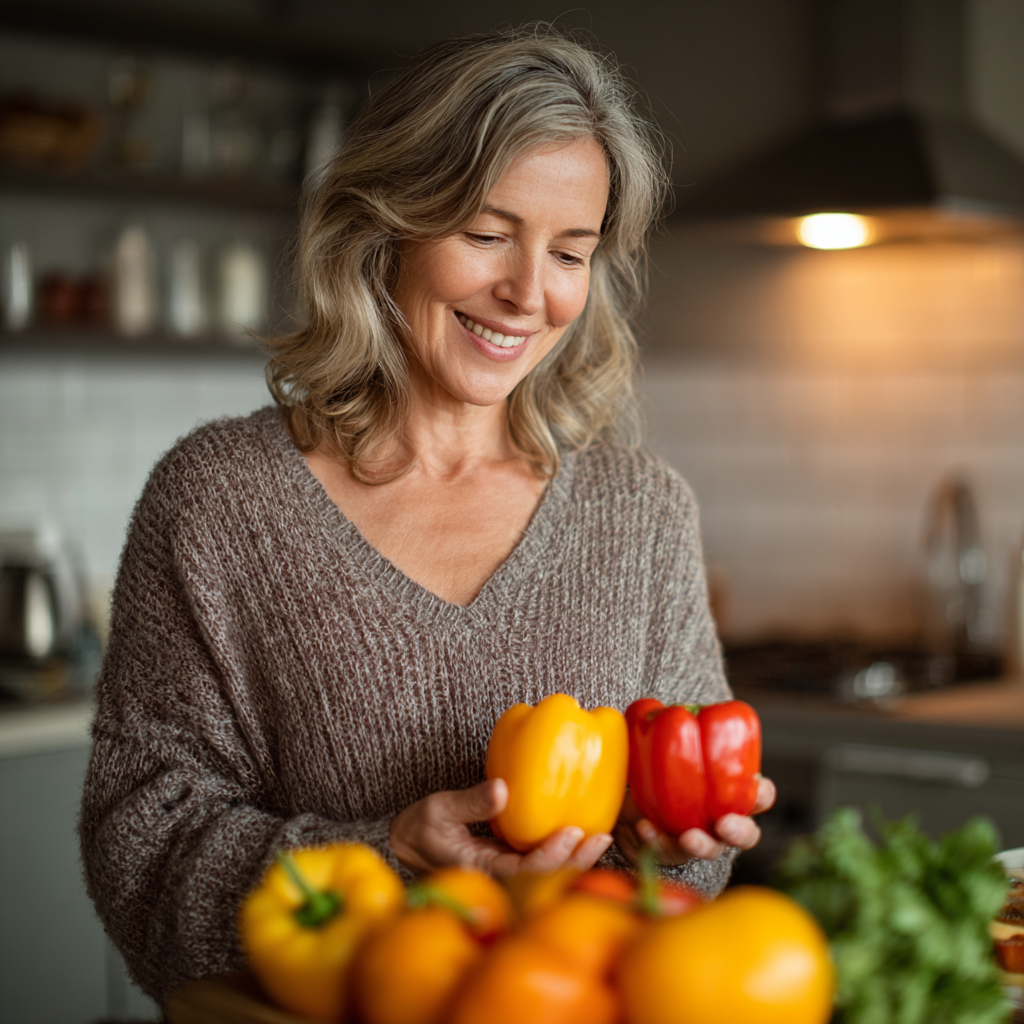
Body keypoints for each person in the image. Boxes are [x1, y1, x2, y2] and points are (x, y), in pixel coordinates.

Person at [80, 25, 775, 1002]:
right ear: (386, 224)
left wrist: (669, 840)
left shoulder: (642, 513)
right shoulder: (219, 501)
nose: (527, 293)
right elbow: (138, 839)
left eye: (569, 253)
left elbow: (682, 880)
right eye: (487, 233)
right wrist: (387, 852)